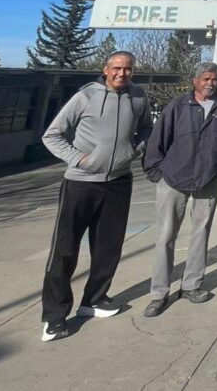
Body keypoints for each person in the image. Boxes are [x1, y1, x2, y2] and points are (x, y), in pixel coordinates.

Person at [39, 51, 150, 342]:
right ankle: (54, 317)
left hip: (118, 182)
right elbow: (52, 135)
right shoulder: (85, 96)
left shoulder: (139, 96)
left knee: (108, 247)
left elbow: (146, 128)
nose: (122, 73)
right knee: (65, 250)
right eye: (117, 68)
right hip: (81, 183)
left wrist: (136, 150)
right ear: (106, 69)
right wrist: (79, 159)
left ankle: (95, 299)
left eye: (128, 69)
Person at [142, 61, 217, 317]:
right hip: (173, 179)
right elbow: (158, 140)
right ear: (195, 80)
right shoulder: (178, 105)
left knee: (201, 232)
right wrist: (156, 173)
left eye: (215, 79)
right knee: (166, 235)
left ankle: (192, 285)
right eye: (206, 79)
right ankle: (159, 293)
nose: (211, 83)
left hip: (209, 180)